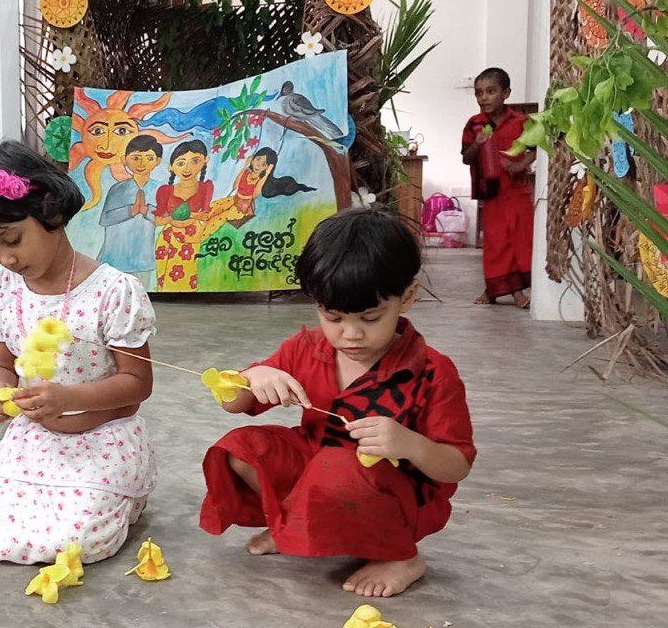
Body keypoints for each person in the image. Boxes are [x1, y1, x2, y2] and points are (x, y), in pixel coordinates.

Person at [199, 207, 475, 598]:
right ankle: (294, 525)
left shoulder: (433, 372)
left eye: (370, 318)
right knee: (242, 450)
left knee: (338, 467)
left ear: (407, 297)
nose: (351, 335)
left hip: (393, 491)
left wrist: (410, 444)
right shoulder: (306, 348)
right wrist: (248, 379)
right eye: (333, 317)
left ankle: (401, 556)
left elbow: (456, 466)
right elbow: (236, 403)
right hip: (320, 466)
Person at [0, 141, 157, 563]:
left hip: (102, 440)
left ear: (52, 213)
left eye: (12, 239)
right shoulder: (2, 291)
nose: (6, 259)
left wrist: (68, 398)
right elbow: (0, 364)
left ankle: (122, 497)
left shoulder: (113, 291)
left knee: (77, 541)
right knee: (0, 533)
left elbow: (138, 385)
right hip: (36, 443)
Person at [461, 67, 535, 308]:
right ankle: (494, 291)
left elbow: (535, 149)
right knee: (495, 242)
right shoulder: (474, 125)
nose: (484, 98)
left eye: (490, 91)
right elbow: (466, 157)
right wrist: (478, 144)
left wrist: (521, 164)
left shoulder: (522, 122)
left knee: (520, 240)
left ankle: (516, 292)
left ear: (506, 93)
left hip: (517, 190)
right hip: (491, 193)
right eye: (479, 93)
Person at [97, 134, 162, 287]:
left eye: (149, 158)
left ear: (158, 161)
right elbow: (105, 219)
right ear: (124, 159)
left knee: (140, 296)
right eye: (136, 158)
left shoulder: (160, 189)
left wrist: (147, 211)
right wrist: (130, 211)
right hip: (114, 257)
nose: (142, 163)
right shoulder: (118, 189)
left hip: (142, 258)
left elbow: (166, 219)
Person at [153, 139, 214, 291]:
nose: (188, 168)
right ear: (171, 167)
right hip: (168, 239)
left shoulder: (205, 187)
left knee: (188, 276)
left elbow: (206, 216)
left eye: (195, 161)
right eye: (181, 163)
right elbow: (158, 221)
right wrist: (173, 218)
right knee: (165, 278)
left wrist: (188, 215)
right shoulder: (165, 191)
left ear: (205, 161)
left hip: (192, 238)